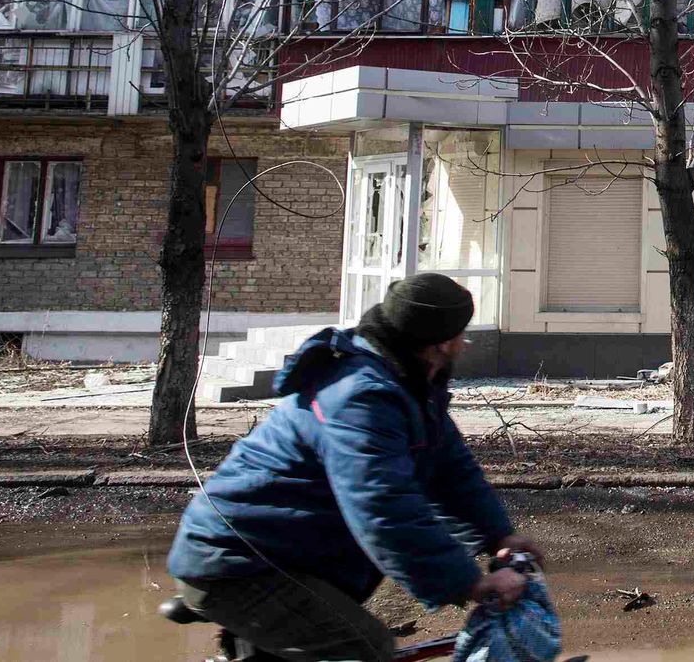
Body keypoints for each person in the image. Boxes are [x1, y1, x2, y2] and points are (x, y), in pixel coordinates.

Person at [168, 273, 545, 661]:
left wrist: (499, 536)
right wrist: (470, 583)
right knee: (363, 648)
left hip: (285, 555)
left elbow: (452, 469)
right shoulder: (361, 396)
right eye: (462, 334)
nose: (465, 343)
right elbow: (383, 507)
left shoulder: (409, 382)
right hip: (241, 560)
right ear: (442, 343)